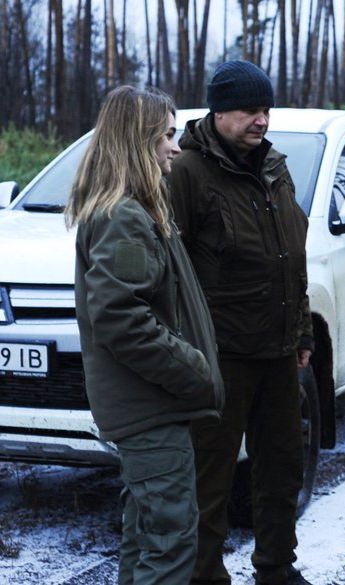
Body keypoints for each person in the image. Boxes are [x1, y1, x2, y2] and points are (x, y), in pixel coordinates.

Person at [67, 85, 225, 585]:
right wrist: (193, 368)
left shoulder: (134, 208)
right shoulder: (124, 217)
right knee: (170, 545)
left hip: (148, 408)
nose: (176, 148)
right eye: (168, 136)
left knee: (147, 538)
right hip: (149, 410)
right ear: (139, 140)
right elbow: (121, 319)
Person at [167, 60, 314, 585]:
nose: (262, 120)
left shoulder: (274, 166)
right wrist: (184, 351)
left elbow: (292, 257)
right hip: (219, 356)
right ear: (220, 111)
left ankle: (277, 568)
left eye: (267, 110)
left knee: (282, 468)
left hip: (277, 351)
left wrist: (302, 333)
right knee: (212, 478)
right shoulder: (187, 171)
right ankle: (205, 575)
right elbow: (172, 269)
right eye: (252, 110)